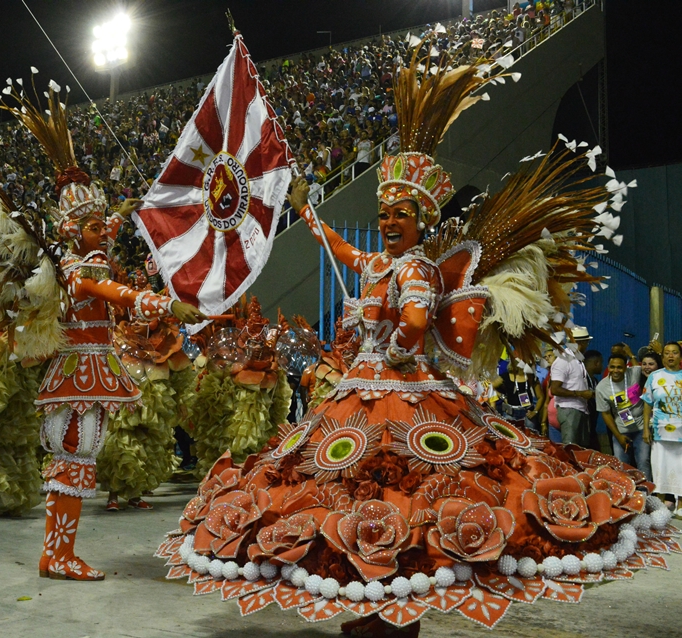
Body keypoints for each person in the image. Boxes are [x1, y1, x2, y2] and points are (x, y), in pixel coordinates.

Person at [158, 49, 664, 634]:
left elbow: (417, 325)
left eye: (400, 214)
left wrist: (392, 348)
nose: (389, 222)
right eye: (383, 214)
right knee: (346, 490)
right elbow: (342, 251)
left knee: (405, 494)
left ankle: (394, 605)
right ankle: (368, 595)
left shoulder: (416, 268)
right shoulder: (381, 263)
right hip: (361, 389)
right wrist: (306, 211)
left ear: (422, 219)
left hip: (405, 390)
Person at [1, 83, 207, 582]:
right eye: (93, 226)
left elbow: (102, 244)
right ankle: (58, 555)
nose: (103, 234)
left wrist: (117, 215)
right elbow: (113, 290)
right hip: (79, 372)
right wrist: (164, 303)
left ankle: (57, 554)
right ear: (74, 231)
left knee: (78, 457)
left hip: (86, 369)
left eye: (101, 226)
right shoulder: (78, 269)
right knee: (75, 456)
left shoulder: (79, 255)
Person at [597, 352, 651, 481]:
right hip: (621, 430)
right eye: (612, 367)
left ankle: (646, 490)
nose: (615, 370)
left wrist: (631, 355)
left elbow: (649, 370)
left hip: (641, 428)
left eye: (619, 367)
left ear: (626, 367)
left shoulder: (635, 372)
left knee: (643, 461)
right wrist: (618, 436)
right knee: (621, 464)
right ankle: (626, 490)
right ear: (608, 367)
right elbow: (606, 414)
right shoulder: (601, 388)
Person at [643, 341, 682, 511]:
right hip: (660, 432)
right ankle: (660, 506)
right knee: (660, 468)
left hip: (680, 433)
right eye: (667, 353)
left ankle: (680, 506)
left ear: (680, 356)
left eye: (674, 352)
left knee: (680, 469)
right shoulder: (654, 376)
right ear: (662, 357)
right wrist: (646, 429)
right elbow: (647, 404)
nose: (670, 356)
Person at [550, 326, 594, 446]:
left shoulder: (577, 360)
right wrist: (580, 393)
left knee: (581, 448)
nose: (587, 345)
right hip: (569, 409)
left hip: (580, 408)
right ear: (581, 343)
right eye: (587, 342)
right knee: (570, 447)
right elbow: (554, 389)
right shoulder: (563, 361)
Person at [498, 358, 544, 433]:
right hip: (510, 413)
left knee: (529, 437)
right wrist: (503, 397)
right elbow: (491, 386)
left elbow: (541, 397)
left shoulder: (531, 377)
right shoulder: (506, 376)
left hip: (528, 413)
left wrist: (535, 411)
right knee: (510, 437)